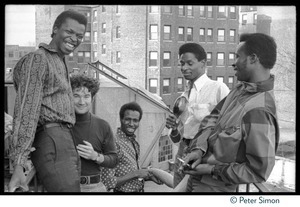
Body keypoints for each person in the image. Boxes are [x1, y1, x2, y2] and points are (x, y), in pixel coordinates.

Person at [182, 33, 280, 192]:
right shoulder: (240, 90)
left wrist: (211, 170)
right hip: (196, 178)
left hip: (214, 188)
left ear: (253, 58)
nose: (233, 63)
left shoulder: (259, 110)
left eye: (237, 56)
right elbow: (211, 120)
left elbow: (258, 171)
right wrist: (199, 149)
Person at [8, 10, 87, 192]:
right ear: (55, 29)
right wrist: (19, 163)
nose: (74, 39)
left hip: (64, 138)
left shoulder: (59, 61)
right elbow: (27, 111)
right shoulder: (38, 59)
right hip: (52, 137)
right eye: (69, 32)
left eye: (80, 36)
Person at [165, 42, 230, 189]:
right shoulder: (183, 97)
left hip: (203, 156)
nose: (184, 68)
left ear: (203, 63)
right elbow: (176, 138)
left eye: (189, 63)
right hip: (183, 151)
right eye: (181, 63)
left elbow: (227, 127)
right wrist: (174, 128)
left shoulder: (218, 88)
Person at [70, 74, 118, 192]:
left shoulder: (102, 125)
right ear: (69, 97)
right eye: (76, 96)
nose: (81, 102)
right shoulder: (61, 124)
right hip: (66, 187)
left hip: (94, 187)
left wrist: (95, 156)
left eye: (86, 96)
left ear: (92, 98)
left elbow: (114, 160)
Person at [100, 102, 162, 192]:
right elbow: (107, 182)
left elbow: (130, 173)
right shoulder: (113, 143)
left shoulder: (134, 143)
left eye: (135, 120)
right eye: (128, 119)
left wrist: (148, 177)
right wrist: (136, 174)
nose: (131, 124)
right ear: (121, 119)